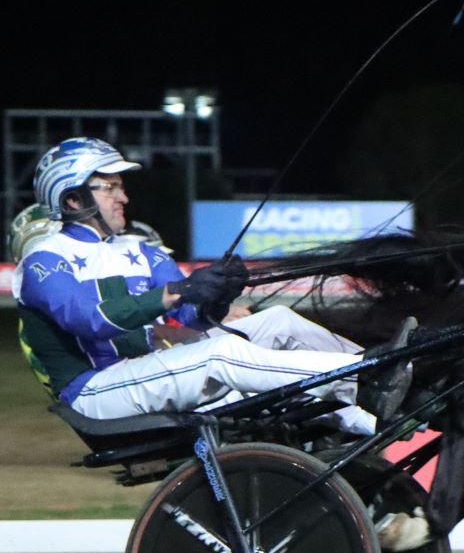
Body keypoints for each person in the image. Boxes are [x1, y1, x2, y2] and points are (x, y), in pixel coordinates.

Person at [13, 137, 416, 439]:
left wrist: (216, 296)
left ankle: (390, 394)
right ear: (71, 199)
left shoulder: (139, 250)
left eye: (121, 186)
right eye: (111, 187)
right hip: (96, 391)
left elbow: (191, 320)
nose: (124, 197)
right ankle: (368, 377)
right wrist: (176, 291)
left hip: (145, 370)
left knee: (275, 321)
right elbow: (89, 320)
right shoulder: (43, 261)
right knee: (219, 355)